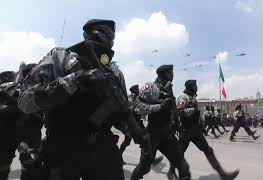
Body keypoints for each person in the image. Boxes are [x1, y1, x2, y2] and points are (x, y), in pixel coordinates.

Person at [18, 19, 147, 180]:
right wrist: (74, 81)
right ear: (87, 34)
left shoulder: (115, 73)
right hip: (62, 148)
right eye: (104, 32)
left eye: (112, 35)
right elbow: (24, 100)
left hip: (103, 150)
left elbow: (121, 112)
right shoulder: (61, 57)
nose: (109, 37)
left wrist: (138, 133)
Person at [167, 80, 239, 180]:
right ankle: (171, 171)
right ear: (191, 87)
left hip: (195, 131)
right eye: (195, 85)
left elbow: (197, 116)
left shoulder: (193, 99)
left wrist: (202, 128)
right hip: (185, 130)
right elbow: (179, 111)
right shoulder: (183, 97)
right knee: (179, 153)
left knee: (208, 150)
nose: (197, 87)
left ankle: (223, 174)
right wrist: (193, 110)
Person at [130, 65, 191, 180]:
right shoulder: (151, 87)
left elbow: (173, 110)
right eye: (170, 72)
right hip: (153, 134)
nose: (173, 75)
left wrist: (179, 126)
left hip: (168, 135)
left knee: (183, 166)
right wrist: (160, 106)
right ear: (163, 74)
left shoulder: (169, 89)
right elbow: (137, 107)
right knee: (144, 168)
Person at [0, 64, 44, 180]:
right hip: (12, 131)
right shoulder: (11, 88)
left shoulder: (38, 90)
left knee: (30, 165)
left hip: (26, 131)